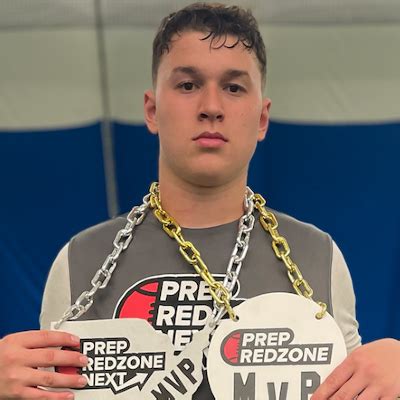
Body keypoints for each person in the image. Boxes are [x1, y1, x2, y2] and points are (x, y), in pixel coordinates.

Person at [0, 2, 399, 399]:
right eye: (188, 85)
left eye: (233, 87)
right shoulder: (80, 259)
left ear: (262, 119)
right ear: (152, 110)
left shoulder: (318, 255)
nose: (211, 108)